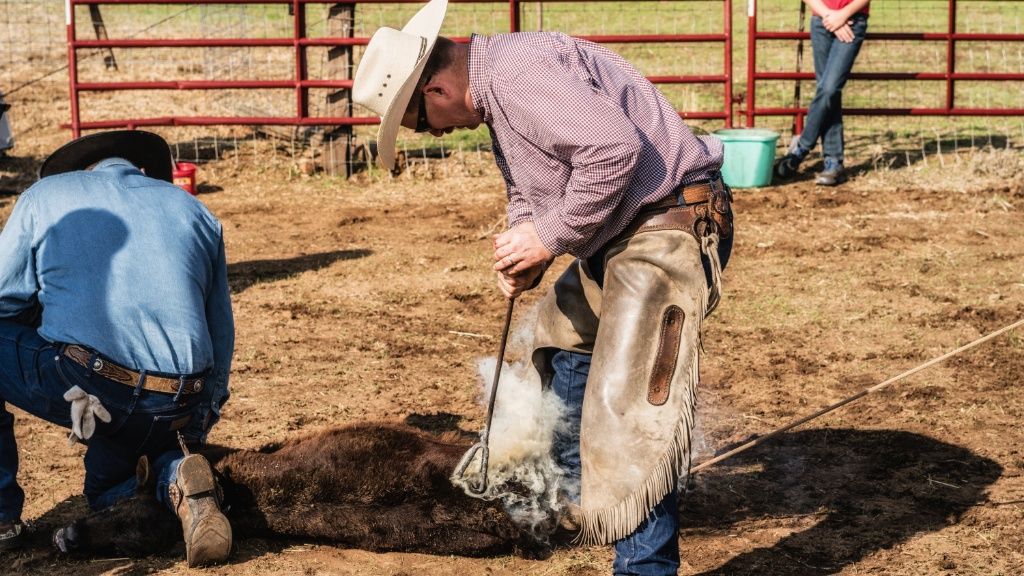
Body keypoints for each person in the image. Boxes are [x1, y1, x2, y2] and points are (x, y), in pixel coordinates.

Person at [353, 1, 733, 573]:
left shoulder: (519, 76)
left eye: (423, 125)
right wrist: (525, 243)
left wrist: (548, 236)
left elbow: (614, 151)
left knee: (629, 415)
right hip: (618, 234)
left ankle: (642, 566)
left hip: (664, 227)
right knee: (557, 348)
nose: (437, 132)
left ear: (434, 91)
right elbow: (536, 190)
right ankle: (588, 503)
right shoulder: (500, 91)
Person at [0, 130, 234, 566]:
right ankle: (174, 478)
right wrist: (201, 418)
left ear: (81, 172)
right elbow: (220, 332)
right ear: (143, 170)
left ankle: (2, 519)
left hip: (96, 386)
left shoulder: (45, 196)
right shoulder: (194, 209)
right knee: (103, 492)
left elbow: (3, 296)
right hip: (179, 402)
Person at [775, 0, 870, 185]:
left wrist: (842, 15)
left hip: (852, 21)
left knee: (829, 89)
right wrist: (828, 15)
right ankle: (834, 162)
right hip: (821, 22)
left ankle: (801, 148)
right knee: (829, 93)